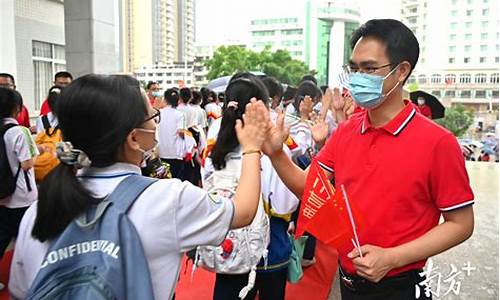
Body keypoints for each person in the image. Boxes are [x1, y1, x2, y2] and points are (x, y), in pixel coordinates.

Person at [262, 19, 474, 300]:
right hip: (348, 279)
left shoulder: (438, 143)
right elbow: (310, 188)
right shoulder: (347, 132)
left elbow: (461, 223)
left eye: (370, 68)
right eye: (355, 68)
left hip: (399, 285)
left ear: (401, 72)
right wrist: (277, 154)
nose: (358, 77)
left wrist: (393, 257)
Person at [8, 74, 271, 300]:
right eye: (153, 117)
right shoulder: (168, 198)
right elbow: (244, 211)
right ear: (134, 138)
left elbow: (21, 291)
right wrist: (251, 147)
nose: (157, 124)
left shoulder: (39, 209)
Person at [204, 73, 298, 300]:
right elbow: (285, 204)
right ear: (262, 107)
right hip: (270, 251)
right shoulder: (273, 146)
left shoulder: (215, 140)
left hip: (230, 248)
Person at [0, 88, 38, 291]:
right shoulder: (19, 131)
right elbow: (27, 163)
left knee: (3, 235)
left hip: (2, 194)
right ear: (17, 108)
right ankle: (31, 279)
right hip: (21, 194)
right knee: (28, 237)